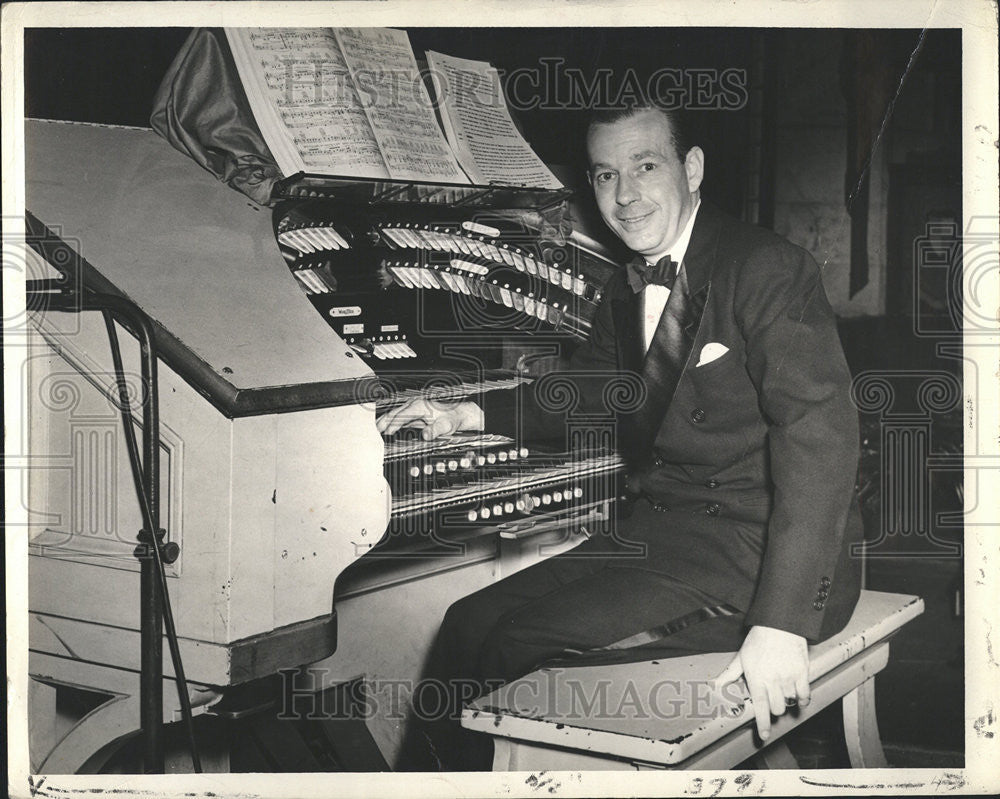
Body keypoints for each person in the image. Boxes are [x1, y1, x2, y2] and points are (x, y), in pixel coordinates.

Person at [380, 101, 864, 771]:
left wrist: (781, 621)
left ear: (691, 168)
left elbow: (822, 440)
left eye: (645, 166)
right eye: (606, 175)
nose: (626, 196)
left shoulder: (766, 268)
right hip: (667, 531)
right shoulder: (623, 284)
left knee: (521, 641)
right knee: (465, 623)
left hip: (762, 549)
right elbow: (587, 390)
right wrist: (469, 415)